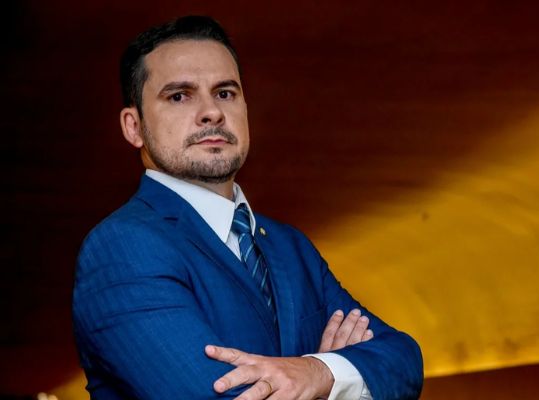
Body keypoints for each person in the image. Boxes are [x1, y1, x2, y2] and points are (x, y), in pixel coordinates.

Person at [72, 15, 423, 400]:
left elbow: (404, 362)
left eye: (225, 93)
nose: (212, 112)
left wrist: (318, 370)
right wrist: (338, 383)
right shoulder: (121, 248)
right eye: (179, 96)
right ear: (133, 126)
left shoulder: (291, 246)